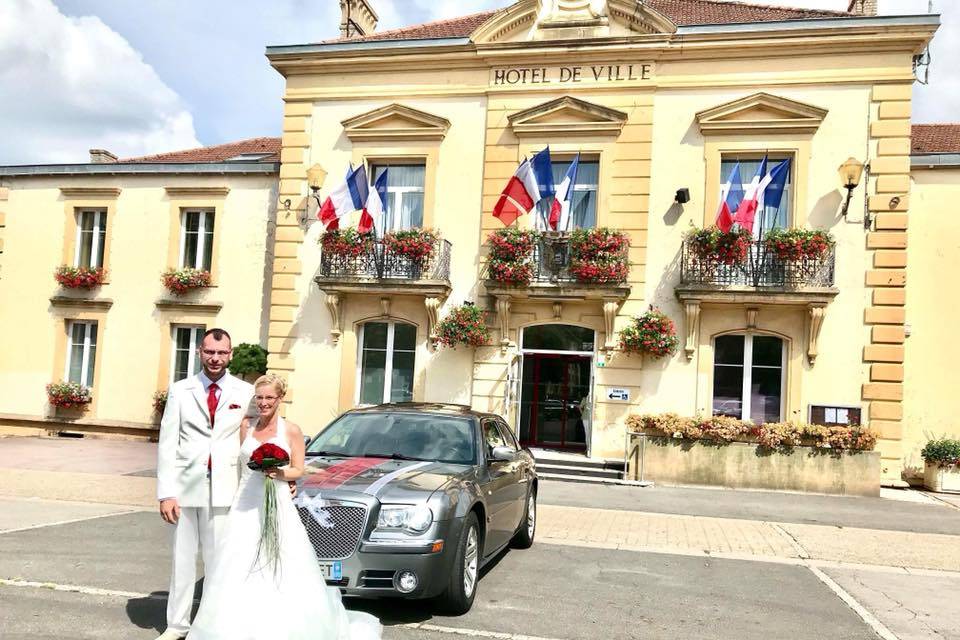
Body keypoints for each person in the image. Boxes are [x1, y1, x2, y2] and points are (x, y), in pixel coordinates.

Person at [187, 374, 382, 640]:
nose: (264, 403)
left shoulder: (291, 430)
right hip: (245, 500)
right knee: (237, 561)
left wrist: (279, 474)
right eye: (260, 397)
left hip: (276, 499)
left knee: (280, 561)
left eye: (269, 397)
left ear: (280, 399)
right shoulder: (246, 426)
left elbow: (299, 469)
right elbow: (238, 463)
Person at [155, 328, 255, 640]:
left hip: (227, 487)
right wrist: (165, 492)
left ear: (231, 355)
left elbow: (252, 441)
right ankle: (177, 625)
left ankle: (211, 625)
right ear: (200, 352)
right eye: (210, 352)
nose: (215, 358)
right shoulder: (181, 390)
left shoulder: (245, 391)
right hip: (185, 487)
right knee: (182, 561)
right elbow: (167, 443)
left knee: (218, 562)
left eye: (222, 352)